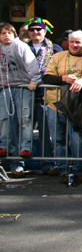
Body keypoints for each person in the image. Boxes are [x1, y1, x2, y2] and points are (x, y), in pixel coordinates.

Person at [42, 30, 82, 184]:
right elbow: (46, 77)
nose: (74, 45)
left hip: (79, 106)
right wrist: (63, 78)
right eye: (72, 41)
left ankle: (80, 171)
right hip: (55, 104)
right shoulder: (57, 56)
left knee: (79, 140)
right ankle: (63, 171)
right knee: (58, 140)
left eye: (78, 42)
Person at [0, 23, 41, 178]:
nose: (6, 36)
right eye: (3, 33)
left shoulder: (21, 46)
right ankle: (5, 147)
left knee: (24, 119)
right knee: (5, 119)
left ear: (14, 34)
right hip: (5, 87)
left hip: (24, 87)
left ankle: (25, 148)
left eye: (9, 33)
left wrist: (34, 81)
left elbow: (32, 65)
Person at [23, 17, 62, 176]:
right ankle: (18, 163)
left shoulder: (55, 48)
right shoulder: (22, 47)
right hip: (25, 91)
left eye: (38, 29)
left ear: (44, 31)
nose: (35, 32)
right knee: (23, 129)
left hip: (46, 95)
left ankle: (47, 164)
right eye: (32, 30)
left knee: (47, 131)